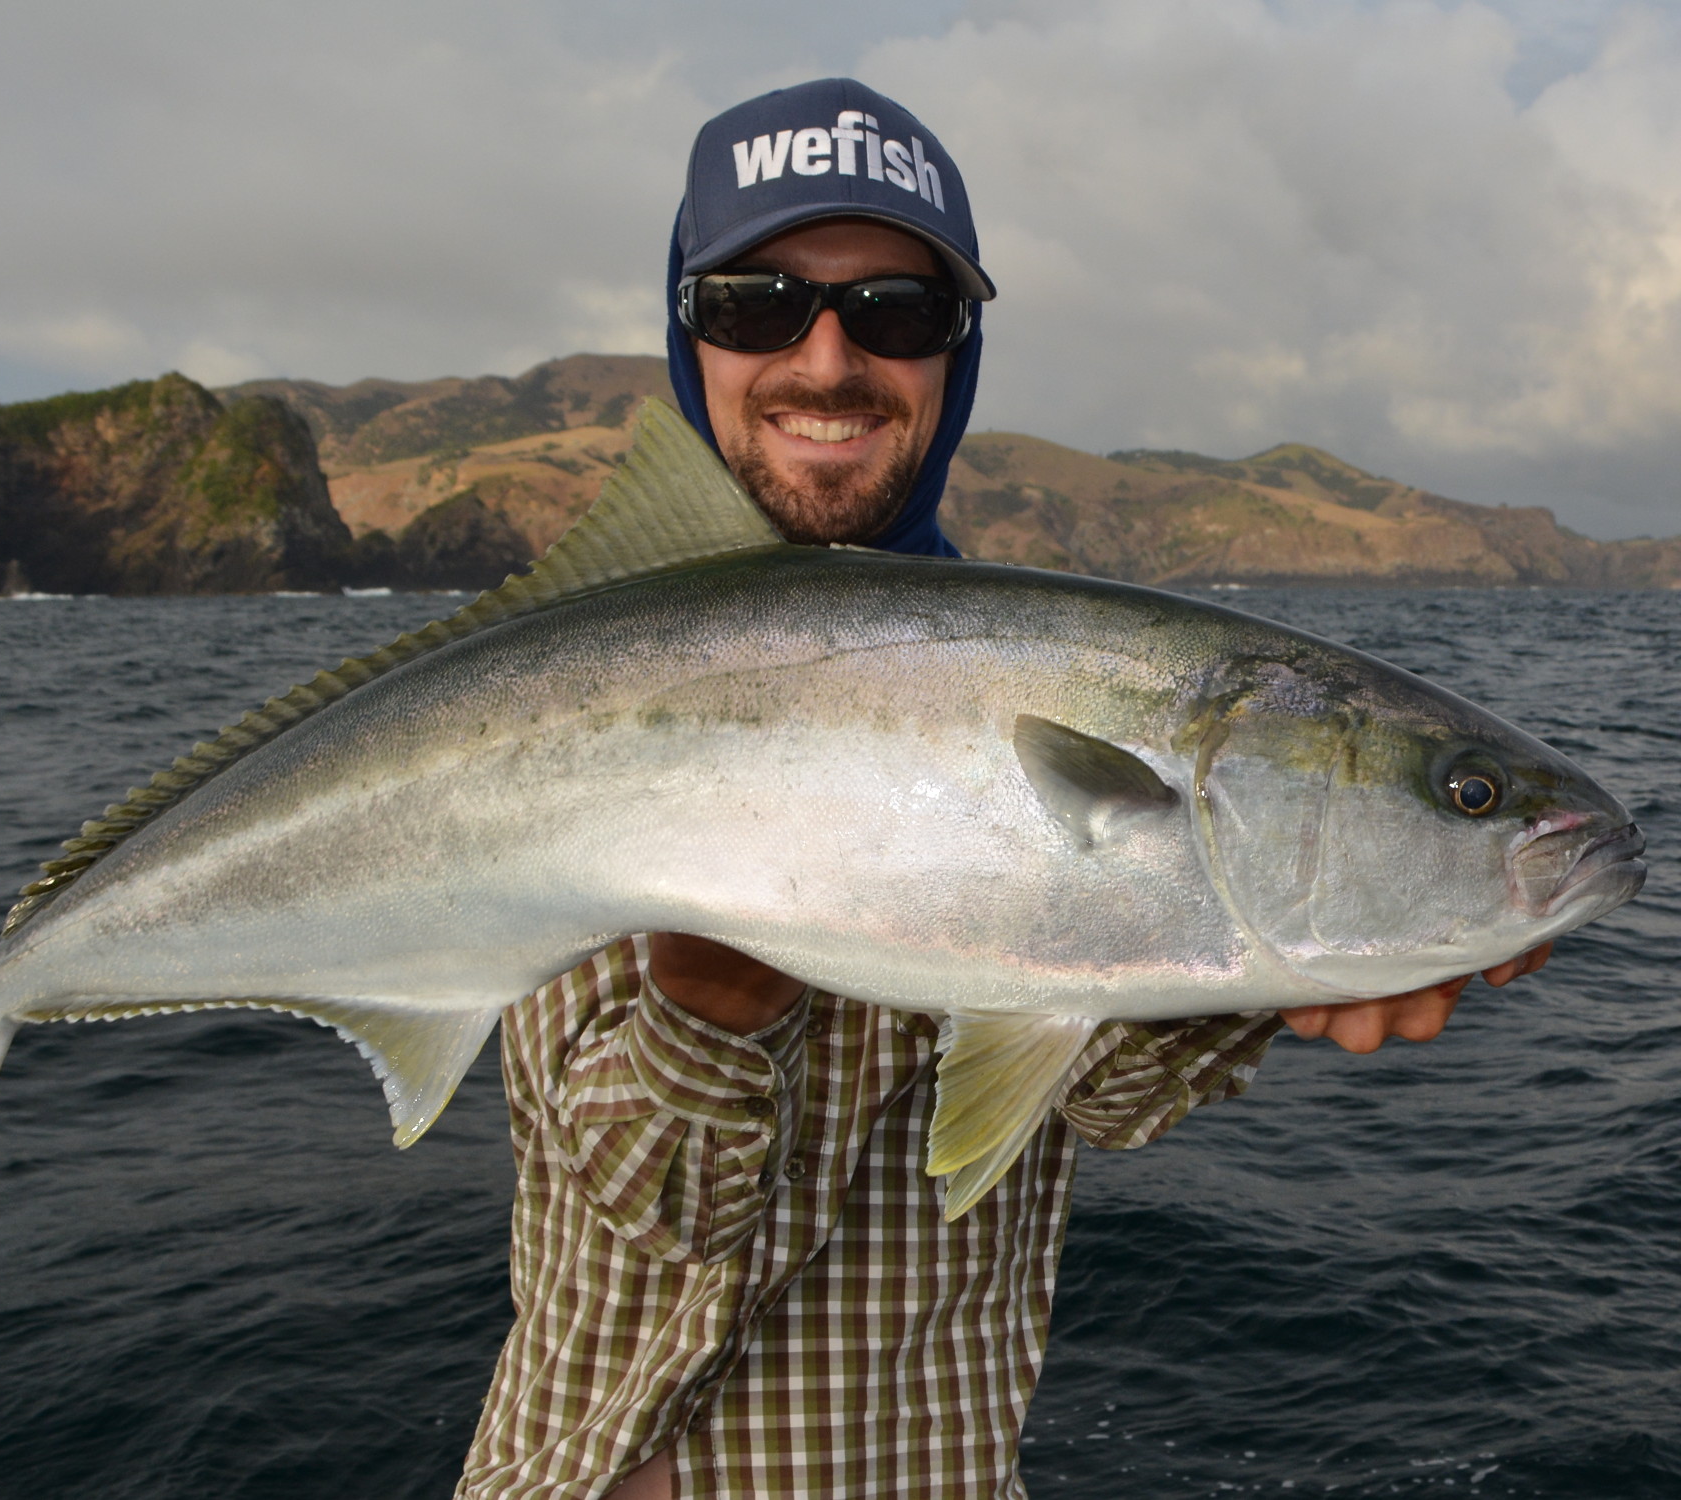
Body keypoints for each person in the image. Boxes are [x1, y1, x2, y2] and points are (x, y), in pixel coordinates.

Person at [454, 78, 1550, 1500]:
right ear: (690, 339)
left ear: (955, 355)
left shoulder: (1077, 671)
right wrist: (714, 991)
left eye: (897, 312)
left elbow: (1104, 1093)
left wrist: (1278, 970)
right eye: (755, 304)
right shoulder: (558, 689)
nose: (828, 359)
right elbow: (649, 1197)